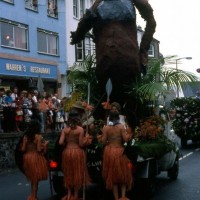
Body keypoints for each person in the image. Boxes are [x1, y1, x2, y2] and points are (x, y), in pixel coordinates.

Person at [70, 0, 156, 109]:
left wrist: (143, 51)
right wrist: (143, 51)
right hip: (123, 62)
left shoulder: (98, 5)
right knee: (127, 103)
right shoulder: (99, 4)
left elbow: (81, 29)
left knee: (111, 101)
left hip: (109, 61)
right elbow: (151, 22)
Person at [100, 110, 133, 200]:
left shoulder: (106, 128)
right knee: (123, 176)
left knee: (113, 177)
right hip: (120, 152)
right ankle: (123, 196)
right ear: (118, 118)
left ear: (109, 118)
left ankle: (116, 198)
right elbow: (126, 140)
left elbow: (103, 141)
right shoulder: (121, 127)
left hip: (110, 152)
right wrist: (130, 134)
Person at [59, 110, 91, 200]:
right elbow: (81, 144)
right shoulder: (80, 130)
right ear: (77, 119)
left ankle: (69, 194)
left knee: (68, 173)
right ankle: (76, 195)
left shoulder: (65, 130)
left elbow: (60, 142)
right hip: (77, 153)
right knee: (77, 174)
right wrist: (86, 139)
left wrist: (66, 143)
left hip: (67, 153)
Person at [20, 119, 49, 200]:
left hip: (27, 158)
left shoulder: (25, 136)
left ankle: (32, 196)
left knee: (32, 179)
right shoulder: (38, 136)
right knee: (35, 179)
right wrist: (45, 144)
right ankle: (34, 197)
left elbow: (23, 149)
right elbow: (39, 150)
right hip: (35, 158)